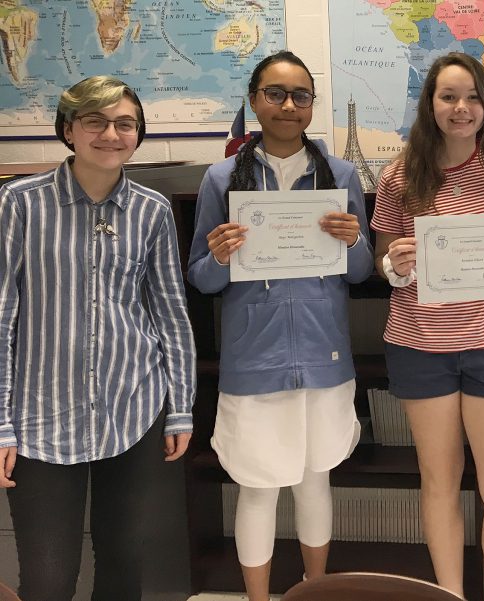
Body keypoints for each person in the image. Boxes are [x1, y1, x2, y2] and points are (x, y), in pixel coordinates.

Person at [0, 76, 196, 601]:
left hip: (132, 407)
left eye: (125, 124)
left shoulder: (151, 210)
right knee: (47, 575)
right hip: (40, 415)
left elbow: (170, 314)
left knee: (125, 566)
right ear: (69, 129)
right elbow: (1, 316)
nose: (111, 134)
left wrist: (180, 409)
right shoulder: (20, 203)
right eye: (96, 122)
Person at [187, 50, 373, 601]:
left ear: (312, 105)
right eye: (275, 94)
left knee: (316, 481)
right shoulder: (222, 178)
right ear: (254, 101)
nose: (288, 105)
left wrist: (353, 241)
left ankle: (316, 590)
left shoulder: (338, 173)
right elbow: (201, 278)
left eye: (300, 95)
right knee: (258, 488)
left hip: (323, 354)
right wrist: (220, 256)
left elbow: (360, 272)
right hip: (255, 359)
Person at [371, 52, 484, 601]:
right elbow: (383, 261)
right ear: (430, 104)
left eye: (471, 96)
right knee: (439, 484)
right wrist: (393, 266)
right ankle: (448, 594)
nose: (461, 108)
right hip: (422, 344)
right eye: (448, 97)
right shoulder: (400, 172)